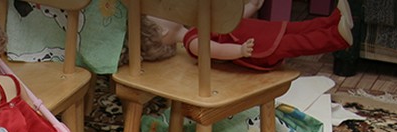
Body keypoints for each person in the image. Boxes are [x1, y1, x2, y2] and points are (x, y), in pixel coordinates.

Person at [145, 0, 353, 71]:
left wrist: (251, 6)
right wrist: (240, 50)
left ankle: (332, 21)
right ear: (162, 31)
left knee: (294, 29)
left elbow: (227, 23)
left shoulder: (195, 26)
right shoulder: (193, 42)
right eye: (162, 15)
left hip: (252, 34)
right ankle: (336, 37)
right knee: (295, 42)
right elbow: (218, 50)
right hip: (254, 49)